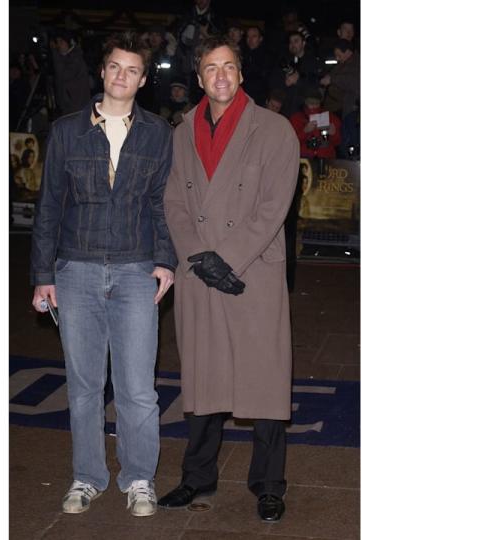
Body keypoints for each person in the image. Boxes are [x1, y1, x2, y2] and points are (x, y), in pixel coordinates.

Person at [30, 31, 176, 518]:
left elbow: (162, 204)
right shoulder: (68, 130)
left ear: (143, 79)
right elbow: (49, 205)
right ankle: (87, 477)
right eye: (115, 66)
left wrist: (165, 261)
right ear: (102, 71)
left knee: (137, 387)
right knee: (84, 385)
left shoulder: (158, 133)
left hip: (135, 269)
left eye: (132, 70)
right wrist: (42, 274)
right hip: (76, 270)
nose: (121, 76)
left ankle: (138, 478)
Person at [160, 35, 299, 523]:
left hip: (251, 271)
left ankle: (268, 484)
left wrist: (229, 259)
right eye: (211, 68)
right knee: (202, 379)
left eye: (229, 67)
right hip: (201, 272)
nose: (220, 76)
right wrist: (199, 256)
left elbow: (273, 207)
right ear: (199, 79)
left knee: (264, 381)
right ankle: (197, 478)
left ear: (241, 75)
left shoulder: (275, 129)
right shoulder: (182, 132)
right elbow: (173, 202)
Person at [50, 31, 92, 117]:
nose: (58, 45)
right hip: (70, 106)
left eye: (61, 42)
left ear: (69, 42)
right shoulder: (67, 58)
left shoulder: (75, 58)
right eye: (57, 42)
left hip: (75, 107)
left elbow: (63, 75)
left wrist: (55, 53)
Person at [240, 26, 273, 107]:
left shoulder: (267, 55)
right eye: (248, 36)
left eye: (254, 36)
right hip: (243, 97)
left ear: (260, 38)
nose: (250, 39)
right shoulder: (242, 53)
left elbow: (262, 75)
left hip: (259, 99)